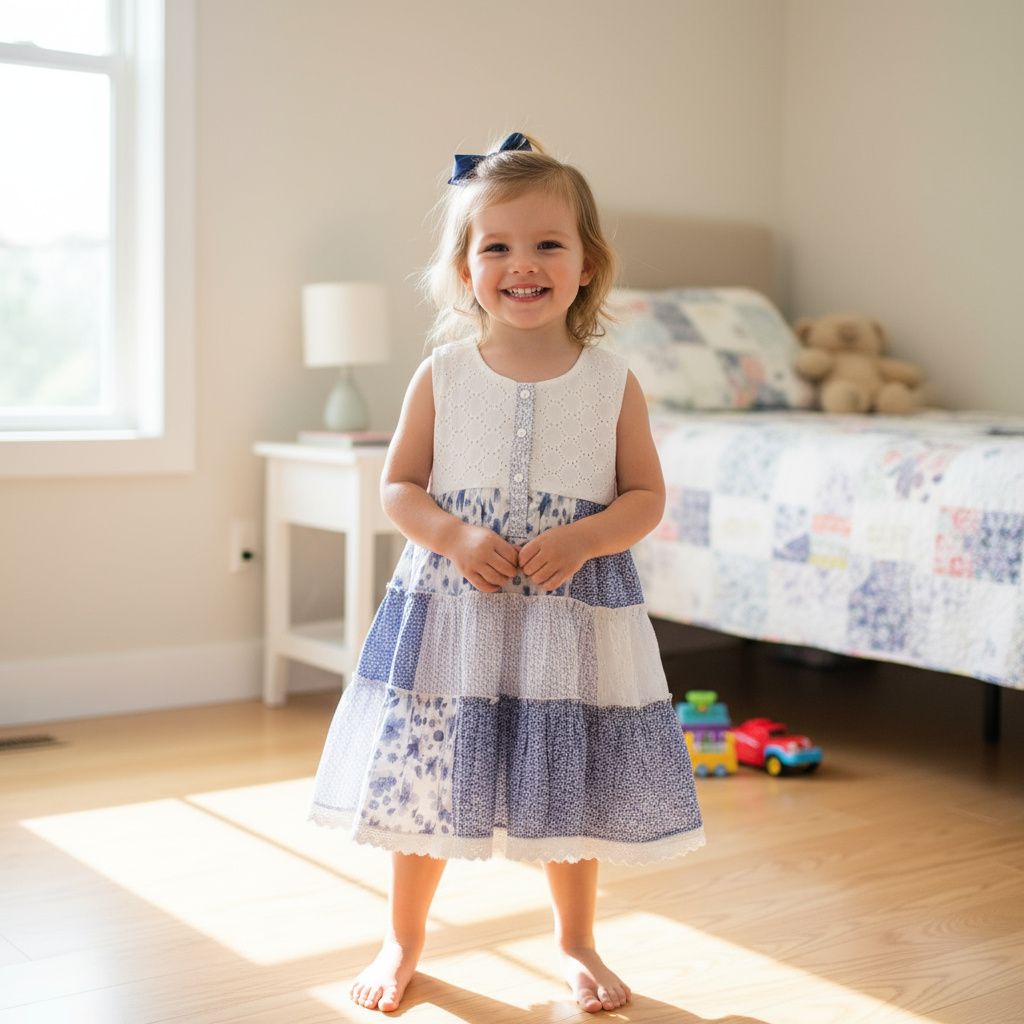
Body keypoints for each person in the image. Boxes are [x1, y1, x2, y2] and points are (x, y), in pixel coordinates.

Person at [307, 130, 705, 1014]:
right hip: (456, 613)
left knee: (568, 776)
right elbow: (399, 486)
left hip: (568, 619)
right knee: (425, 776)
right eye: (497, 247)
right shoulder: (442, 374)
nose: (522, 265)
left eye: (547, 244)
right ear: (464, 269)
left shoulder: (612, 382)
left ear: (588, 264)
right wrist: (452, 535)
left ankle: (575, 941)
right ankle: (402, 939)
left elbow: (645, 496)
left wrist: (588, 538)